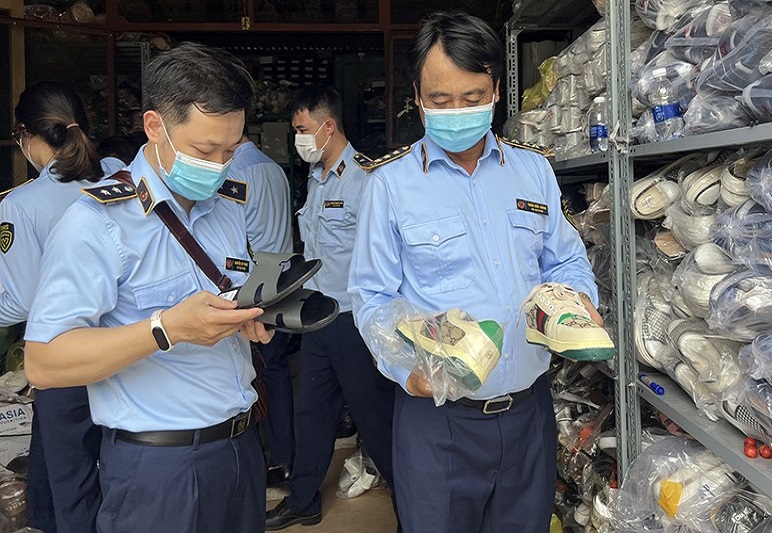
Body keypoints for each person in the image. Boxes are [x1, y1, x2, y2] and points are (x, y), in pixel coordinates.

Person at [348, 12, 602, 533]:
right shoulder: (389, 186)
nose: (456, 112)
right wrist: (407, 370)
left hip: (529, 414)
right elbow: (372, 298)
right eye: (440, 101)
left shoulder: (533, 170)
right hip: (438, 421)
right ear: (418, 98)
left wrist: (574, 303)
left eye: (472, 97)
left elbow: (567, 258)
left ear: (496, 92)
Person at [24, 43, 275, 533]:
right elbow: (44, 361)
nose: (221, 165)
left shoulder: (227, 205)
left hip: (241, 450)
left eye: (231, 150)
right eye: (206, 150)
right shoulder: (97, 223)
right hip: (159, 471)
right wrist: (165, 330)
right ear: (155, 126)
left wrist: (248, 320)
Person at [265, 85, 396, 530]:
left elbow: (382, 256)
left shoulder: (367, 179)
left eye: (302, 129)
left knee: (374, 418)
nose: (297, 138)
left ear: (327, 126)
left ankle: (413, 503)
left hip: (354, 320)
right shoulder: (317, 178)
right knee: (312, 414)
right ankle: (303, 498)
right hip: (317, 316)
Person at [0, 81, 105, 532]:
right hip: (122, 350)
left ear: (28, 135)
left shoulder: (21, 204)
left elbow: (22, 299)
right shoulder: (117, 177)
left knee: (72, 484)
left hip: (62, 357)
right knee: (92, 467)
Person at [228, 133, 296, 487]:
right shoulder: (274, 169)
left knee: (255, 374)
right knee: (276, 371)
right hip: (282, 283)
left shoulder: (234, 173)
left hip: (253, 289)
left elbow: (230, 238)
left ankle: (263, 459)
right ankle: (285, 457)